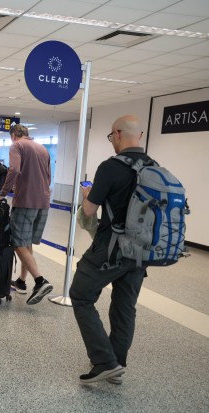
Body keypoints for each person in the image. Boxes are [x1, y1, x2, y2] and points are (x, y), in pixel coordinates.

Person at [69, 115, 150, 384]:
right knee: (125, 307)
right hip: (141, 252)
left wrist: (86, 195)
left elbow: (90, 211)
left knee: (80, 294)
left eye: (110, 137)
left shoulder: (110, 167)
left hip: (110, 249)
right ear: (139, 135)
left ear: (117, 134)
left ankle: (104, 362)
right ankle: (117, 364)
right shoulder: (154, 167)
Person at [0, 124, 53, 305]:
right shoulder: (43, 149)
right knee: (26, 243)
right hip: (43, 202)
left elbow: (15, 170)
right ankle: (21, 281)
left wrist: (2, 193)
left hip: (26, 201)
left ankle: (40, 280)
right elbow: (48, 176)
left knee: (18, 242)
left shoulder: (17, 146)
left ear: (13, 136)